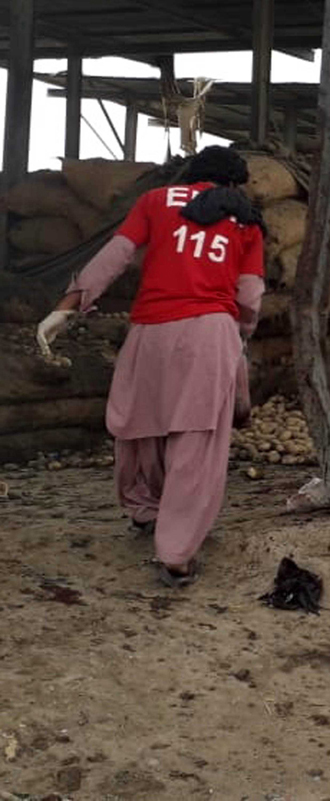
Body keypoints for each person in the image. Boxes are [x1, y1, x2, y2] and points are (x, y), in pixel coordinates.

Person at [36, 146, 266, 587]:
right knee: (195, 440)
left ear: (191, 175)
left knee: (140, 425)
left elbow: (116, 255)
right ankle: (176, 555)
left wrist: (68, 307)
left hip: (151, 331)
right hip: (210, 333)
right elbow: (250, 294)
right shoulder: (245, 219)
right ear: (233, 185)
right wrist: (241, 336)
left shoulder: (155, 201)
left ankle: (144, 511)